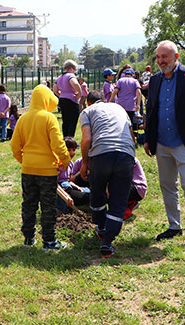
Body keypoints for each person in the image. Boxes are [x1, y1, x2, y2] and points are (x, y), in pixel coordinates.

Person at [144, 40, 185, 245]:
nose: (161, 61)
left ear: (176, 57)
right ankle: (174, 226)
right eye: (158, 57)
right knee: (167, 185)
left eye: (165, 56)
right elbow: (151, 110)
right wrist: (148, 139)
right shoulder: (155, 80)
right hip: (162, 143)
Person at [10, 85, 71, 250]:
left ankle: (29, 239)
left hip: (28, 170)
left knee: (28, 204)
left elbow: (15, 146)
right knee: (48, 206)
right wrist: (64, 162)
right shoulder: (49, 118)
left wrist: (25, 161)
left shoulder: (23, 119)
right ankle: (49, 241)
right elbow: (58, 145)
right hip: (47, 171)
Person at [78, 91, 136, 258]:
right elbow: (131, 137)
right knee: (118, 200)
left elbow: (87, 139)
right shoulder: (119, 108)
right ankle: (107, 242)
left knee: (97, 191)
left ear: (89, 102)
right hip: (126, 155)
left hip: (100, 155)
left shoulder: (87, 112)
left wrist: (85, 163)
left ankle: (101, 227)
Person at [55, 137, 90, 213]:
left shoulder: (70, 163)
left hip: (69, 185)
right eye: (68, 150)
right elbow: (55, 182)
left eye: (74, 150)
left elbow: (70, 179)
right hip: (62, 187)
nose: (72, 153)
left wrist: (77, 187)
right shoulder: (58, 163)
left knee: (89, 191)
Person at [53, 60, 82, 137]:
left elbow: (55, 90)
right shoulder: (70, 76)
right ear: (71, 69)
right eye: (75, 70)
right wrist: (79, 93)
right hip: (71, 100)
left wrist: (61, 95)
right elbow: (75, 84)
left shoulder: (59, 78)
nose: (75, 72)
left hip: (62, 99)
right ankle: (71, 138)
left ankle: (65, 137)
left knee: (65, 120)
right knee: (73, 120)